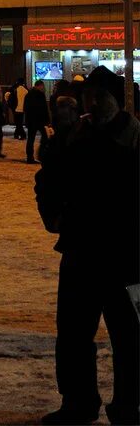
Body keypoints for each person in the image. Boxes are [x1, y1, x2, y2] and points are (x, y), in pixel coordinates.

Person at [34, 67, 139, 425]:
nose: (93, 103)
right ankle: (78, 402)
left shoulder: (134, 137)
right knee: (74, 335)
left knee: (129, 340)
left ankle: (129, 405)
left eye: (101, 96)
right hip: (81, 252)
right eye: (89, 96)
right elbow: (47, 180)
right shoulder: (73, 136)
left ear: (118, 99)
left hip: (127, 257)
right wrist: (54, 215)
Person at [23, 79, 50, 164]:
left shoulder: (28, 94)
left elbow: (25, 108)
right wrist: (47, 120)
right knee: (45, 137)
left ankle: (29, 157)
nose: (43, 88)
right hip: (40, 121)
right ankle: (42, 154)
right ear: (40, 86)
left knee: (30, 139)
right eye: (43, 86)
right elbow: (44, 109)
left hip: (31, 121)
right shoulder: (40, 95)